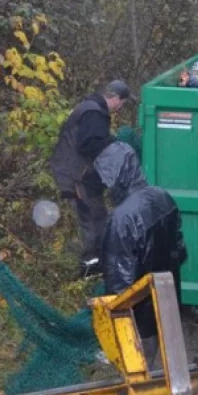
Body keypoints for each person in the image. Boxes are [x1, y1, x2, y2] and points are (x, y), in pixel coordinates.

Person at [95, 142, 187, 366]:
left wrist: (116, 319)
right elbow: (180, 250)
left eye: (107, 179)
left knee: (138, 370)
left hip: (139, 317)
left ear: (117, 176)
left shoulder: (122, 218)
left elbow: (119, 280)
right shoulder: (162, 196)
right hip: (166, 301)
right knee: (164, 360)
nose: (106, 186)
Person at [50, 80, 138, 271]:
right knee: (91, 218)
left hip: (77, 174)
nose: (120, 108)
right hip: (77, 177)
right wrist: (113, 144)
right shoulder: (94, 113)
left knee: (97, 216)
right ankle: (89, 267)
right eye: (122, 103)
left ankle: (95, 263)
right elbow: (89, 144)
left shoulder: (90, 108)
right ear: (114, 98)